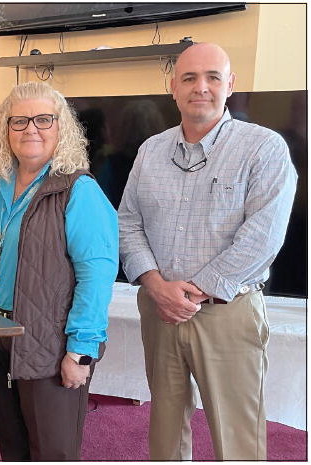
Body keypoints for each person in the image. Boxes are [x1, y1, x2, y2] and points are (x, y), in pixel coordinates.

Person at [117, 43, 297, 460]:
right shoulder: (150, 151)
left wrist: (195, 290)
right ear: (173, 89)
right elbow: (127, 222)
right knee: (165, 430)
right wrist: (155, 284)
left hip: (227, 313)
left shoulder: (263, 148)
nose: (202, 87)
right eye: (189, 78)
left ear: (230, 85)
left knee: (238, 436)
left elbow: (263, 236)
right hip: (159, 310)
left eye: (213, 77)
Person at [0, 81, 118, 460]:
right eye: (18, 121)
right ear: (6, 129)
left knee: (53, 452)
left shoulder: (78, 190)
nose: (30, 129)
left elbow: (96, 275)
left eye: (43, 119)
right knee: (12, 447)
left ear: (61, 127)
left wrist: (81, 351)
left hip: (50, 345)